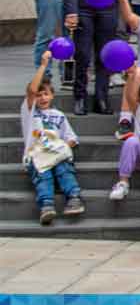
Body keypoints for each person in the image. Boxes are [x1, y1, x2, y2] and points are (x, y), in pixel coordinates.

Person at [23, 50, 84, 225]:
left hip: (56, 153)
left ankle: (73, 198)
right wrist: (43, 65)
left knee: (63, 169)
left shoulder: (58, 115)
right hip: (38, 153)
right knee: (43, 174)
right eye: (38, 95)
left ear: (52, 95)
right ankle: (47, 205)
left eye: (45, 94)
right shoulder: (30, 112)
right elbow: (31, 90)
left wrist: (66, 145)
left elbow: (71, 137)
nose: (42, 97)